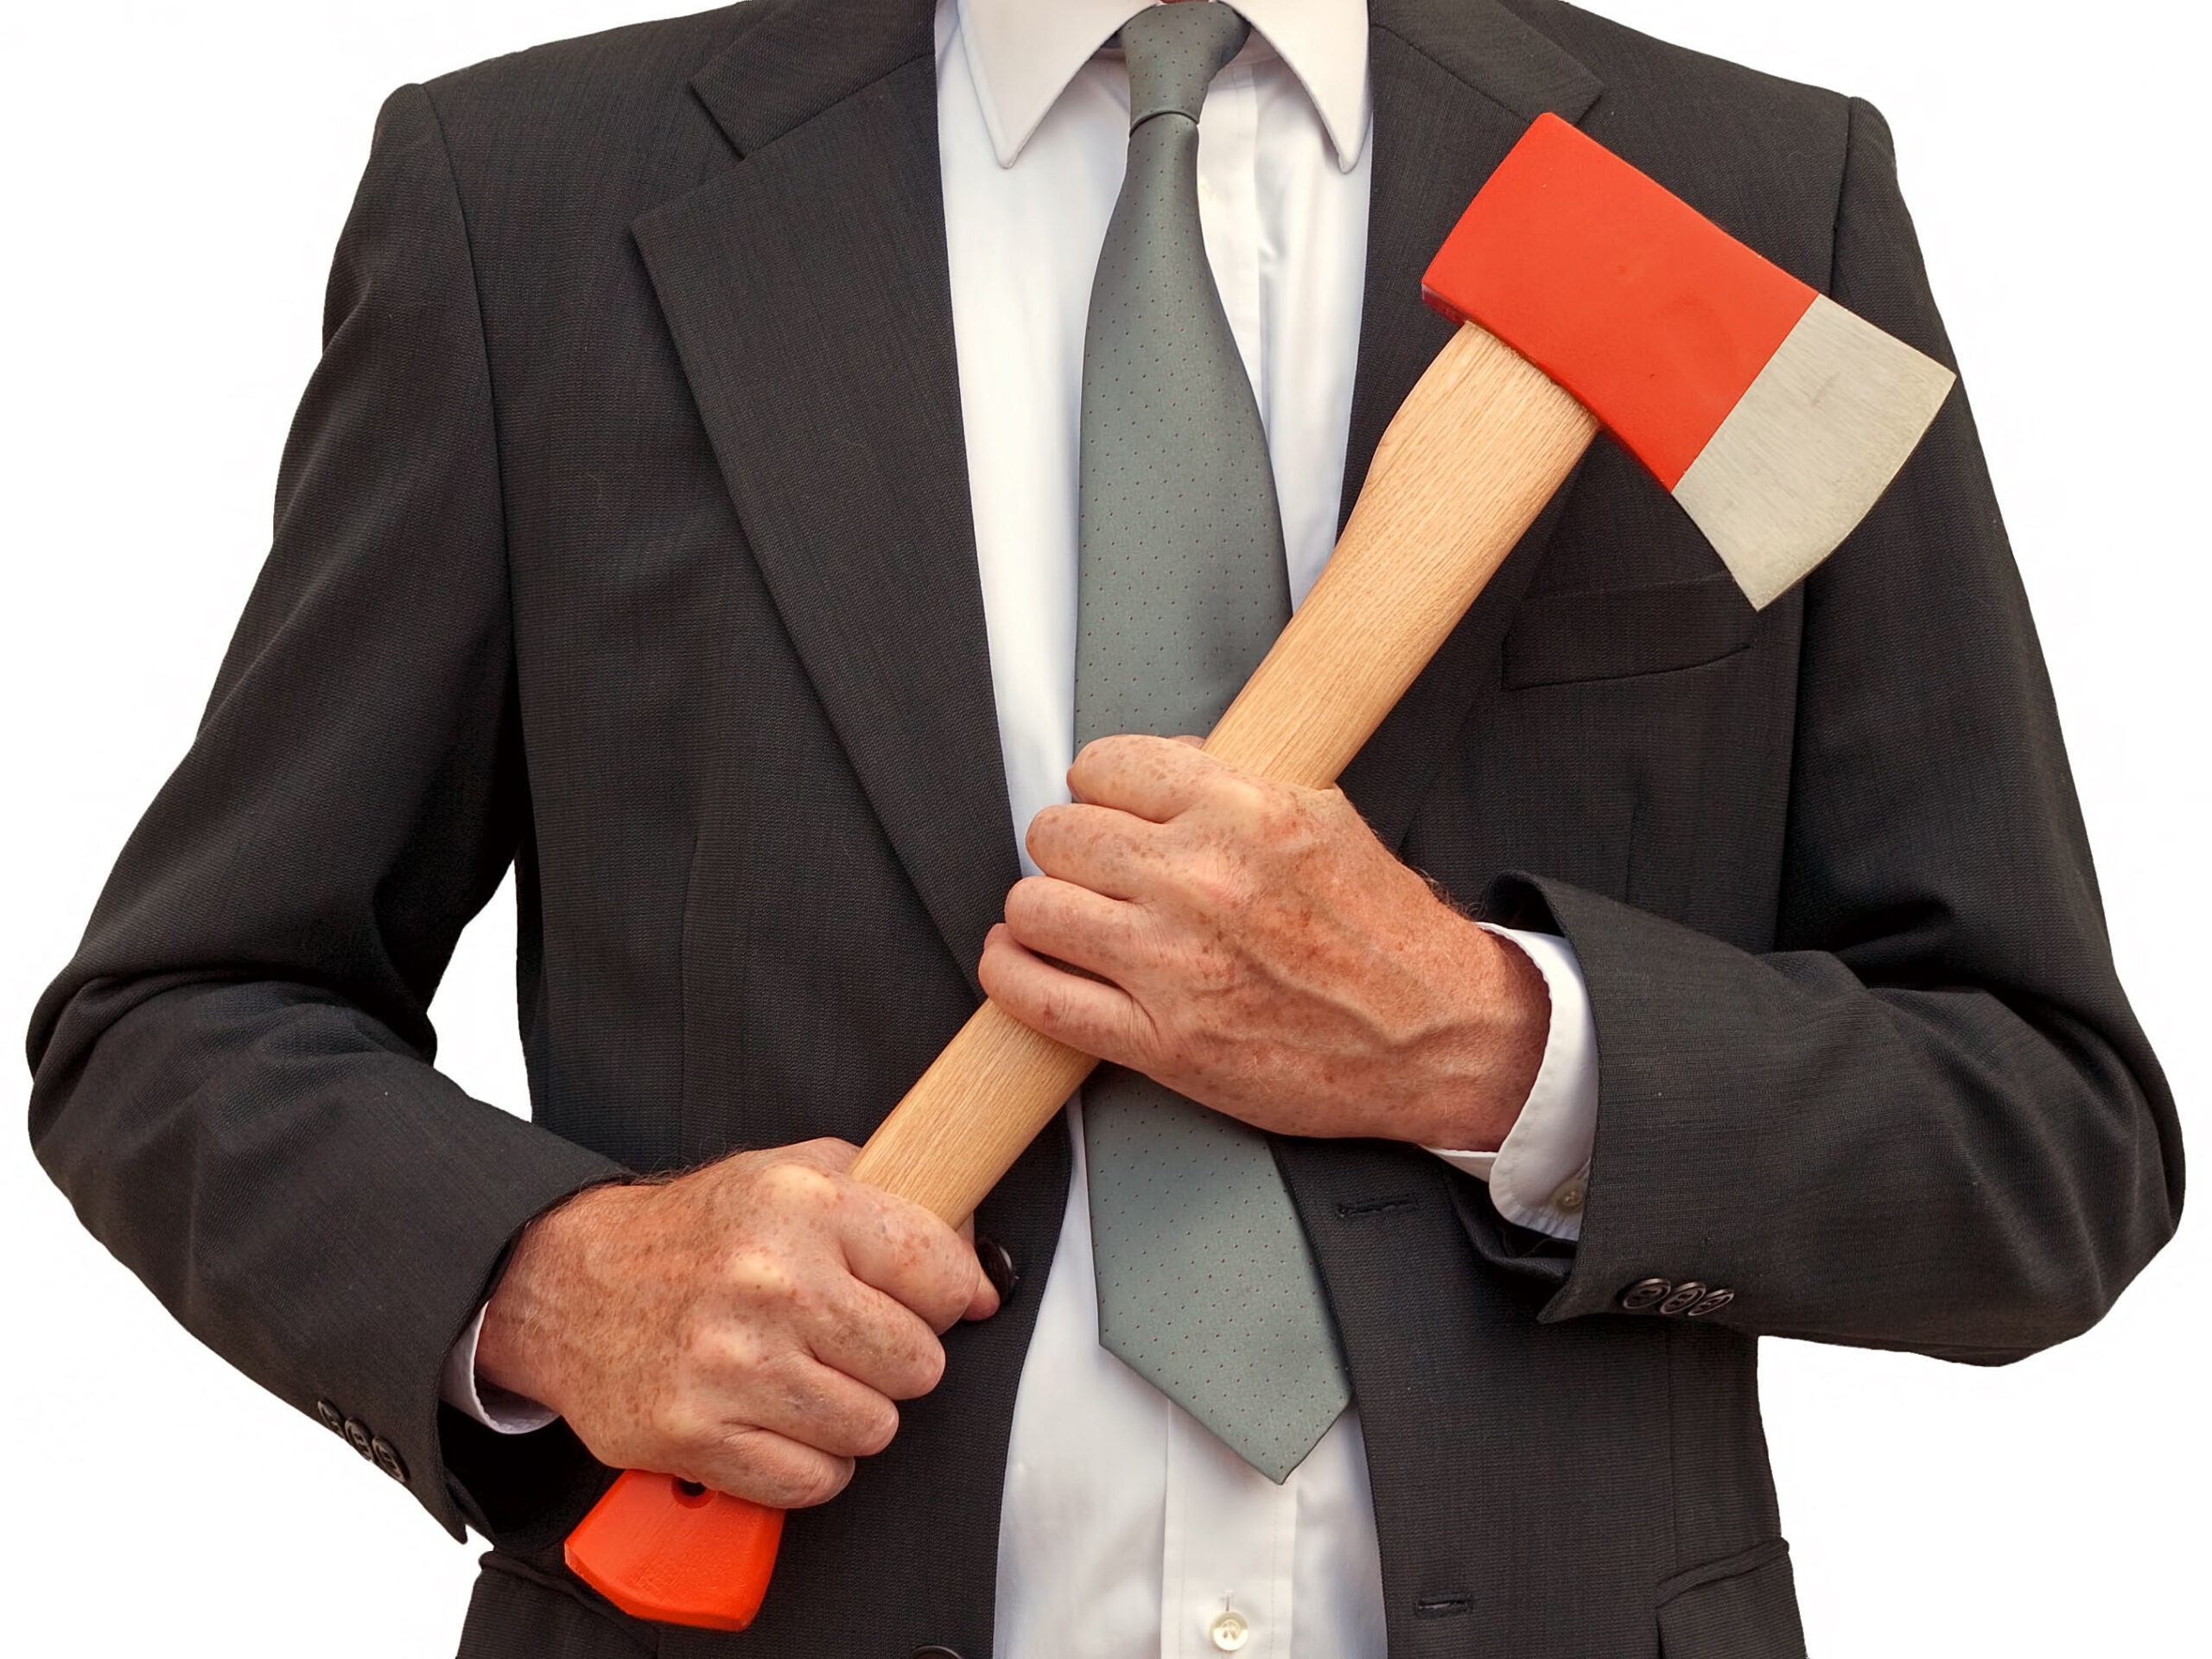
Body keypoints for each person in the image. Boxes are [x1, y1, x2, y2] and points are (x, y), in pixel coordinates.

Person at [26, 0, 2179, 1655]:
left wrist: (1498, 1048)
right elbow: (183, 1018)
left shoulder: (1746, 189)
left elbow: (2044, 1140)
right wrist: (545, 1280)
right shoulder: (528, 203)